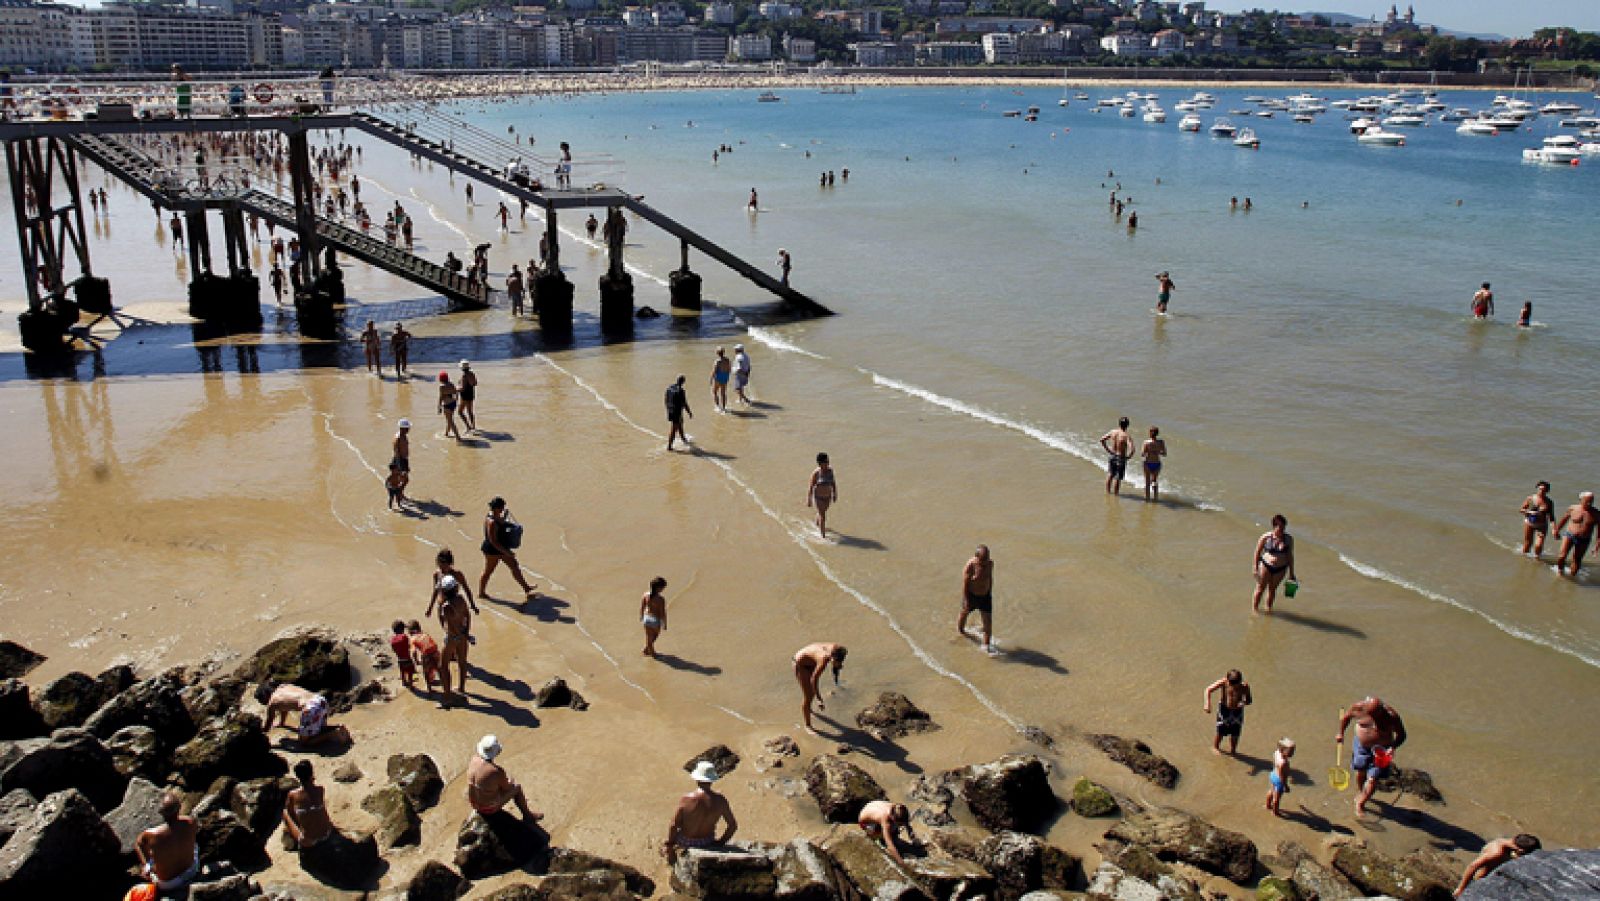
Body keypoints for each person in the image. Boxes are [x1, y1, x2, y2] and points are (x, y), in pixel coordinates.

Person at [1335, 697, 1407, 817]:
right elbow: (1346, 717)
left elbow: (1402, 735)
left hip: (1382, 751)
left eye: (1376, 715)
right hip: (1361, 747)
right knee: (1360, 771)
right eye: (1370, 714)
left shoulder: (1391, 716)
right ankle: (1361, 792)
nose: (1374, 718)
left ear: (1382, 709)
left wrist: (1392, 747)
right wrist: (1340, 733)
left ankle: (1361, 803)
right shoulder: (1358, 708)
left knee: (1373, 779)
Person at [663, 761, 737, 862]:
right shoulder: (721, 800)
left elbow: (673, 825)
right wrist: (720, 843)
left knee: (664, 847)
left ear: (697, 779)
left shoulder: (686, 799)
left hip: (686, 841)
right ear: (711, 780)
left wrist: (669, 845)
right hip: (706, 841)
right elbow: (732, 825)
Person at [135, 790, 199, 894]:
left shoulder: (151, 834)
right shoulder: (191, 822)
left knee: (153, 854)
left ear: (161, 813)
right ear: (179, 808)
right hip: (191, 871)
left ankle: (148, 868)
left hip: (168, 884)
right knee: (194, 845)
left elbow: (138, 843)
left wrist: (146, 864)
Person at [467, 735, 541, 822]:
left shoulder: (474, 759)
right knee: (517, 787)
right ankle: (528, 816)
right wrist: (510, 781)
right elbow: (507, 788)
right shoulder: (496, 771)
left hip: (473, 802)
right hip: (487, 808)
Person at [259, 682, 351, 747]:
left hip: (310, 708)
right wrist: (282, 723)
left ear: (265, 696)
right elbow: (284, 708)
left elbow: (268, 725)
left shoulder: (272, 702)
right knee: (319, 729)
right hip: (319, 699)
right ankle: (337, 727)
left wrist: (260, 732)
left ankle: (332, 733)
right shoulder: (283, 686)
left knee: (304, 743)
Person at [480, 497, 536, 599]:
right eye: (501, 508)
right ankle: (481, 593)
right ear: (496, 508)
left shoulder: (495, 516)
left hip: (500, 548)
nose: (503, 509)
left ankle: (526, 588)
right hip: (493, 550)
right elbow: (493, 541)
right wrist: (507, 552)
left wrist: (506, 519)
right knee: (488, 571)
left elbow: (501, 522)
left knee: (514, 566)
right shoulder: (492, 522)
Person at [1454, 835, 1541, 898]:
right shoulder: (1497, 853)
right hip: (1481, 878)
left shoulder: (1512, 841)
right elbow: (1473, 866)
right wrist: (1461, 888)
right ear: (1520, 851)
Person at [282, 760, 336, 853]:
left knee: (285, 813)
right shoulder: (320, 789)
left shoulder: (293, 795)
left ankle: (290, 835)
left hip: (308, 841)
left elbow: (290, 811)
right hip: (327, 833)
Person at [792, 642, 847, 734]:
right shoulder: (823, 660)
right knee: (809, 696)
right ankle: (808, 725)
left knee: (812, 693)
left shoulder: (836, 648)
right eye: (837, 662)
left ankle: (809, 710)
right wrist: (819, 699)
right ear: (832, 658)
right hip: (800, 664)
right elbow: (814, 679)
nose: (839, 664)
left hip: (810, 660)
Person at [433, 576, 472, 704]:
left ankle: (448, 696)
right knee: (462, 661)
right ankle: (461, 688)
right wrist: (466, 632)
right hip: (463, 635)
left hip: (452, 637)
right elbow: (467, 615)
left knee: (442, 666)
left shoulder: (446, 606)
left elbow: (447, 624)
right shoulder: (461, 599)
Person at [1251, 514, 1296, 613]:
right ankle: (1255, 610)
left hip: (1280, 569)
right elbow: (1257, 552)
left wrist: (1292, 573)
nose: (1282, 530)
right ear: (1274, 526)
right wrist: (1255, 567)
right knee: (1260, 588)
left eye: (1284, 527)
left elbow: (1290, 556)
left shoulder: (1288, 539)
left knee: (1272, 589)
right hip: (1265, 566)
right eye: (1280, 527)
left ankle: (1268, 609)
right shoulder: (1266, 537)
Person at [1203, 669, 1253, 755]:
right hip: (1224, 710)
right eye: (1231, 685)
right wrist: (1207, 703)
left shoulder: (1244, 687)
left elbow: (1249, 700)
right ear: (1227, 680)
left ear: (1240, 681)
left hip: (1237, 712)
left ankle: (1233, 750)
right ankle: (1215, 747)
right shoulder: (1223, 682)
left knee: (1235, 733)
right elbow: (1208, 690)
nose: (1234, 687)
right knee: (1220, 731)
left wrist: (1243, 703)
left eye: (1236, 686)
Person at [958, 545, 995, 652]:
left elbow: (990, 578)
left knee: (988, 621)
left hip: (985, 596)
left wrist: (990, 592)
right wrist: (966, 600)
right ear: (977, 557)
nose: (985, 562)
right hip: (972, 595)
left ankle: (986, 646)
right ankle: (961, 631)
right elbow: (965, 584)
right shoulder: (970, 565)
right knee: (964, 613)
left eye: (987, 558)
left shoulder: (990, 564)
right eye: (982, 560)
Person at [858, 801, 917, 866]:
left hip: (870, 807)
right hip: (865, 822)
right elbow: (889, 844)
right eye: (900, 824)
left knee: (893, 829)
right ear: (893, 818)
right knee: (887, 834)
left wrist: (913, 838)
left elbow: (905, 821)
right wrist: (901, 862)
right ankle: (874, 837)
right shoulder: (885, 820)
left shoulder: (897, 808)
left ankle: (887, 832)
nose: (901, 825)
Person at [1553, 491, 1597, 577]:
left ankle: (1572, 577)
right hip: (1569, 535)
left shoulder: (1596, 514)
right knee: (1562, 556)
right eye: (1587, 501)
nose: (1589, 503)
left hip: (1584, 539)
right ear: (1581, 500)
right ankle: (1560, 572)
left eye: (1591, 501)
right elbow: (1564, 519)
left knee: (1577, 560)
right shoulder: (1573, 508)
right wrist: (1556, 530)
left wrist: (1596, 546)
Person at [1099, 417, 1134, 495]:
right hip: (1121, 457)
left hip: (1112, 455)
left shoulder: (1113, 432)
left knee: (1110, 474)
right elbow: (1132, 449)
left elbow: (1102, 440)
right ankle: (1116, 494)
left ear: (1119, 424)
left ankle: (1108, 492)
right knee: (1118, 478)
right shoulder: (1126, 436)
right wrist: (1128, 457)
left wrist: (1108, 450)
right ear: (1127, 425)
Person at [1519, 481, 1555, 557]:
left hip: (1541, 525)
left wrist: (1554, 529)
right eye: (1540, 489)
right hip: (1529, 523)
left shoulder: (1549, 502)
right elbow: (1521, 510)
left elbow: (1551, 517)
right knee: (1527, 543)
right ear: (1537, 488)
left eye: (1544, 490)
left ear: (1547, 491)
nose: (1541, 491)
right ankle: (1524, 558)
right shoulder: (1530, 498)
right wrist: (1530, 512)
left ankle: (1537, 558)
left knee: (1538, 545)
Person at [806, 452, 837, 538]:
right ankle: (823, 536)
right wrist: (809, 499)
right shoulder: (816, 473)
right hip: (818, 498)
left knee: (822, 513)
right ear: (820, 463)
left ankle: (816, 524)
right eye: (825, 462)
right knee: (823, 516)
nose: (828, 463)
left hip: (828, 497)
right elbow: (811, 487)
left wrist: (835, 493)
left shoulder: (830, 470)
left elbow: (833, 483)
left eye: (828, 461)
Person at [408, 620, 441, 693]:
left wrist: (416, 661)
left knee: (426, 671)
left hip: (427, 656)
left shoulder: (413, 638)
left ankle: (429, 688)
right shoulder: (425, 634)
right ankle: (444, 683)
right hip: (436, 652)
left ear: (410, 631)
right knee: (439, 669)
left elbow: (413, 652)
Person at [1265, 738, 1295, 817]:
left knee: (1271, 791)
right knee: (1277, 798)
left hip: (1273, 774)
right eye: (1291, 751)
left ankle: (1267, 805)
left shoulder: (1276, 753)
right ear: (1283, 750)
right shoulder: (1284, 763)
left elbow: (1276, 765)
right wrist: (1285, 786)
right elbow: (1282, 775)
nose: (1292, 753)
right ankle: (1275, 812)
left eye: (1293, 750)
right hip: (1279, 780)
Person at [640, 576, 668, 657]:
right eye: (663, 588)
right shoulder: (660, 599)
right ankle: (652, 653)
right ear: (659, 588)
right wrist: (664, 623)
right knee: (655, 636)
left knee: (649, 636)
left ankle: (646, 649)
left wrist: (641, 616)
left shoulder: (645, 595)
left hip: (647, 618)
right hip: (655, 620)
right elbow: (662, 612)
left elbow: (642, 607)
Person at [665, 374, 692, 451]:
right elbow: (684, 403)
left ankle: (683, 439)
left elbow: (666, 399)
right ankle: (669, 446)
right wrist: (689, 412)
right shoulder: (681, 391)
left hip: (670, 409)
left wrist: (668, 408)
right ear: (683, 382)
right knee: (674, 429)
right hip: (677, 412)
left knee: (680, 424)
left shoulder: (669, 388)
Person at [1140, 426, 1167, 502]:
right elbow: (1164, 453)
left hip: (1148, 463)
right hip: (1157, 463)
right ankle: (1155, 498)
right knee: (1154, 481)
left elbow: (1142, 454)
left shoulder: (1146, 442)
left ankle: (1147, 499)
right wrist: (1157, 452)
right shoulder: (1161, 442)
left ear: (1150, 433)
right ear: (1157, 433)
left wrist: (1148, 452)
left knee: (1147, 482)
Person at [389, 620, 417, 689]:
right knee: (410, 673)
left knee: (402, 671)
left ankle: (404, 682)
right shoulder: (404, 637)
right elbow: (409, 646)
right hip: (407, 659)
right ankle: (411, 685)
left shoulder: (392, 639)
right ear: (402, 629)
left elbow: (394, 649)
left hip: (400, 659)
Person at [438, 371, 462, 440]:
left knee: (450, 421)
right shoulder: (451, 384)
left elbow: (441, 397)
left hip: (447, 405)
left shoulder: (441, 387)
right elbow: (455, 392)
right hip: (453, 403)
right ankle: (446, 433)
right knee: (449, 419)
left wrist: (439, 407)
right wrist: (456, 399)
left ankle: (458, 437)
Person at [458, 361, 479, 432]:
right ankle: (473, 426)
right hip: (471, 394)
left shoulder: (464, 375)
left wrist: (456, 389)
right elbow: (475, 383)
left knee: (460, 412)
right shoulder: (472, 373)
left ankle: (468, 427)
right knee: (470, 411)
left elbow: (462, 388)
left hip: (465, 395)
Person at [709, 347, 732, 413]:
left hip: (718, 377)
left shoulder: (717, 361)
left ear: (717, 353)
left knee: (715, 392)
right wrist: (727, 376)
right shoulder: (727, 360)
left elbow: (714, 371)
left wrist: (711, 378)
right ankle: (724, 408)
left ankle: (718, 406)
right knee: (723, 393)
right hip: (725, 377)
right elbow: (729, 369)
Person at [392, 419, 411, 493]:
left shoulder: (403, 435)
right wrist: (400, 467)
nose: (409, 429)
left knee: (402, 479)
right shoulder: (398, 438)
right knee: (405, 479)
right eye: (407, 428)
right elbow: (396, 453)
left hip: (404, 460)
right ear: (403, 428)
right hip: (400, 460)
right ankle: (399, 493)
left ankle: (399, 493)